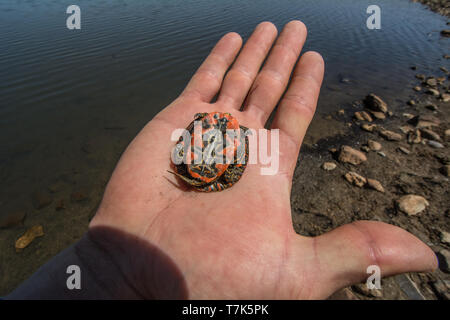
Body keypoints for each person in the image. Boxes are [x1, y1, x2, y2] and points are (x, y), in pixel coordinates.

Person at [7, 21, 437, 299]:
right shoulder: (201, 143)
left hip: (211, 150)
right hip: (204, 153)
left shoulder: (219, 138)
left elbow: (207, 151)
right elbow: (189, 153)